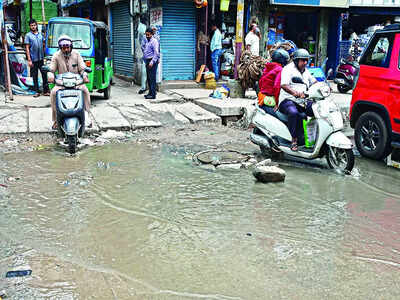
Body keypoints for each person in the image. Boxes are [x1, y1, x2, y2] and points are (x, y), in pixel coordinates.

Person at [48, 35, 91, 130]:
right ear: (60, 48)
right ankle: (55, 120)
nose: (66, 50)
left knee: (85, 91)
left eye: (68, 47)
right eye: (63, 48)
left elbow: (82, 68)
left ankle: (87, 115)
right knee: (53, 93)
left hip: (76, 83)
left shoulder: (76, 54)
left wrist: (84, 75)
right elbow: (51, 69)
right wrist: (50, 75)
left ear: (71, 47)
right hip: (61, 84)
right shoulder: (56, 56)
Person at [278, 48, 317, 151]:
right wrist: (295, 93)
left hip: (302, 101)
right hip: (287, 100)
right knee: (293, 113)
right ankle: (294, 140)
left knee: (316, 110)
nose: (305, 63)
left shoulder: (306, 71)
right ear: (296, 60)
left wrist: (323, 86)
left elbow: (314, 81)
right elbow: (284, 85)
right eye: (302, 60)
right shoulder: (288, 69)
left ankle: (311, 137)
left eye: (306, 60)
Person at [258, 49, 290, 113]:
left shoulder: (268, 67)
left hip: (262, 96)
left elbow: (261, 81)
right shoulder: (280, 69)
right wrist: (277, 103)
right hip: (270, 99)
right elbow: (277, 86)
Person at [24, 19, 49, 98]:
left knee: (44, 74)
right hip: (33, 59)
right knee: (34, 76)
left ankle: (45, 91)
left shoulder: (40, 35)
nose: (33, 27)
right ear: (30, 26)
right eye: (32, 25)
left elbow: (44, 44)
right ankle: (36, 91)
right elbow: (27, 48)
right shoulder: (28, 35)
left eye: (34, 25)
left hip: (41, 58)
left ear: (36, 25)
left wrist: (45, 55)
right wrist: (29, 60)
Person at [141, 27, 160, 99]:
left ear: (152, 34)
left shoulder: (154, 41)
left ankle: (153, 95)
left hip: (152, 61)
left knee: (152, 78)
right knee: (149, 78)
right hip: (147, 61)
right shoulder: (148, 41)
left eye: (148, 35)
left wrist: (152, 62)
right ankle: (150, 93)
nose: (147, 36)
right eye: (146, 35)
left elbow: (156, 53)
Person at [137, 17, 147, 94]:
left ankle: (145, 88)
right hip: (146, 57)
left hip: (149, 58)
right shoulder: (143, 36)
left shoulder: (148, 37)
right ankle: (144, 87)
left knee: (146, 74)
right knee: (145, 73)